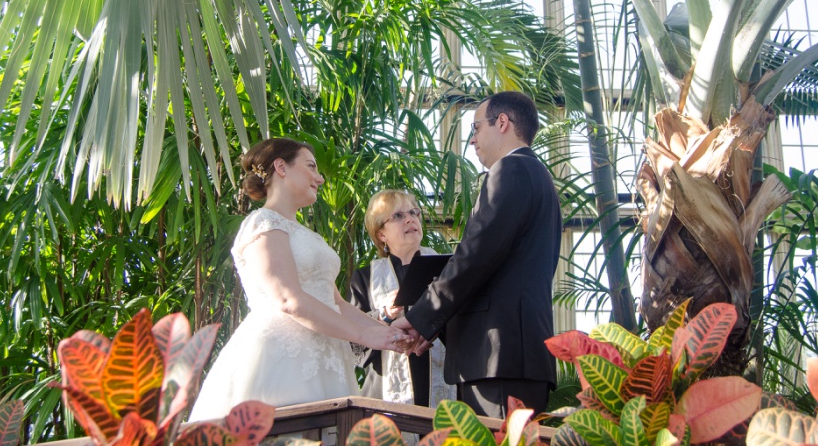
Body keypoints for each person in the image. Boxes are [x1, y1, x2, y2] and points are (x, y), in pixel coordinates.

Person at [189, 138, 409, 421]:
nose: (319, 178)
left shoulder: (310, 236)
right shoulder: (263, 223)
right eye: (311, 166)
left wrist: (390, 333)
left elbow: (337, 303)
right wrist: (366, 336)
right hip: (281, 359)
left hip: (327, 357)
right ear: (281, 167)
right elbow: (288, 299)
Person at [392, 92, 562, 418]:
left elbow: (474, 258)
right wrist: (434, 327)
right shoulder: (540, 178)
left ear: (502, 123)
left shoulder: (509, 172)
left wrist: (420, 318)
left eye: (476, 128)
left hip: (496, 357)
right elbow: (500, 272)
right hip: (516, 356)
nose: (472, 141)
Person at [349, 190, 457, 408]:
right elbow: (352, 340)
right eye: (398, 216)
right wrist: (384, 315)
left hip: (443, 383)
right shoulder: (365, 278)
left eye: (414, 212)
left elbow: (466, 324)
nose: (410, 219)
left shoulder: (448, 268)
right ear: (381, 235)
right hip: (384, 390)